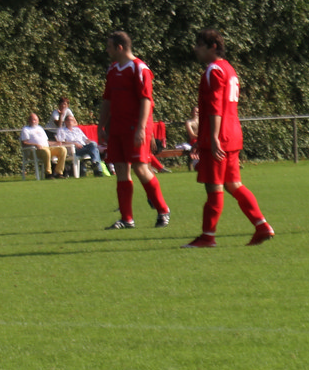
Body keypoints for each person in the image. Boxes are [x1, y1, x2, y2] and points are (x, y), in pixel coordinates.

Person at [183, 29, 275, 248]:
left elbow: (215, 106)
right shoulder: (229, 69)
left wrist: (213, 137)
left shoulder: (213, 70)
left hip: (219, 136)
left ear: (213, 47)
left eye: (200, 45)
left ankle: (208, 237)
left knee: (214, 186)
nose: (195, 49)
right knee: (233, 184)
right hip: (232, 133)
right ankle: (262, 226)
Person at [99, 31, 171, 230]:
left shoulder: (139, 69)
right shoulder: (112, 70)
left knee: (140, 168)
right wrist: (101, 125)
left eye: (109, 47)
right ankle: (126, 219)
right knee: (121, 170)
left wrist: (141, 128)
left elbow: (146, 100)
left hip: (135, 127)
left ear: (119, 47)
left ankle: (162, 210)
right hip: (117, 127)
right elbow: (107, 100)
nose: (107, 50)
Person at [20, 113, 66, 177]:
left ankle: (59, 172)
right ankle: (48, 173)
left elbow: (47, 142)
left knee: (62, 149)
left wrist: (56, 143)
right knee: (46, 151)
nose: (34, 121)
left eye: (35, 120)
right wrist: (36, 145)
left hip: (47, 148)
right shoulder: (26, 129)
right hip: (34, 151)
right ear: (29, 120)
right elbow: (24, 143)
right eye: (32, 120)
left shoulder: (40, 128)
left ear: (38, 121)